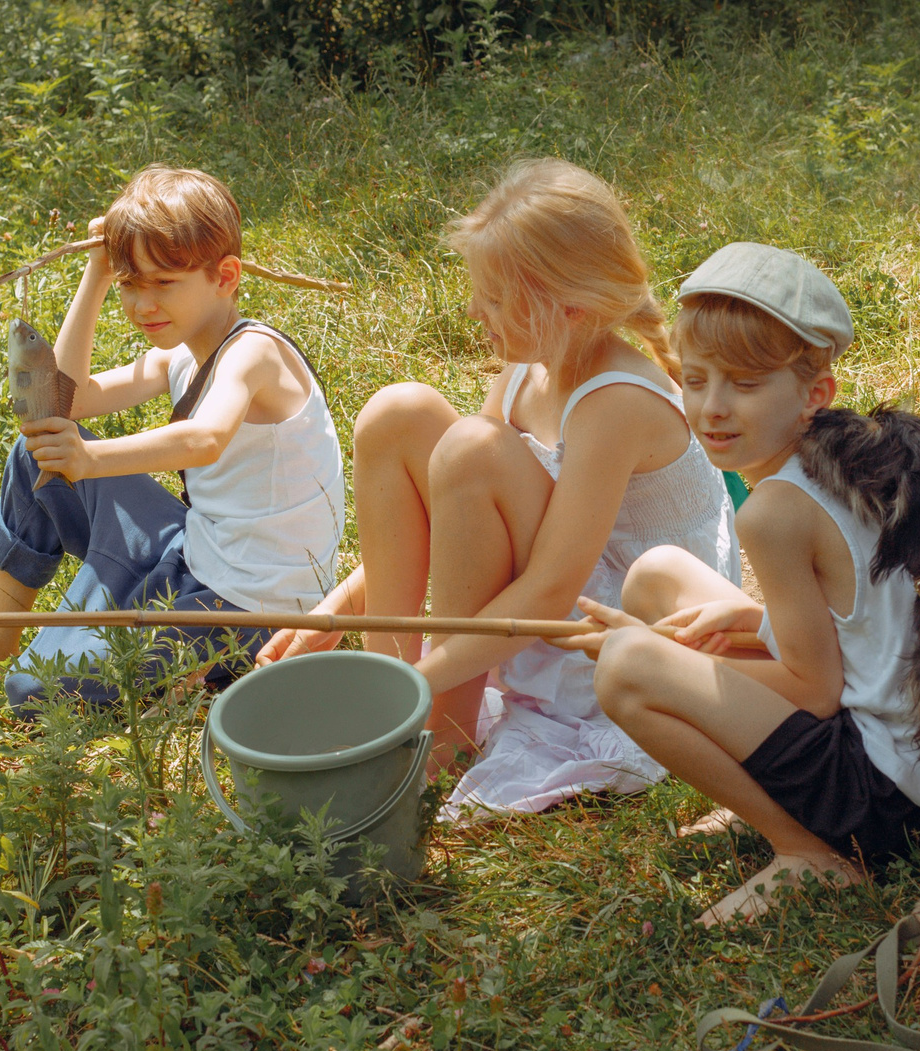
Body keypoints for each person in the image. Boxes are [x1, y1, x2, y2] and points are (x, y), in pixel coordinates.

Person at [259, 159, 737, 813]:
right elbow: (456, 508)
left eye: (494, 297)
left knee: (470, 448)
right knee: (397, 414)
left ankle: (435, 733)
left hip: (613, 634)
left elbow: (548, 591)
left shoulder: (615, 403)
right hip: (543, 598)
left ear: (566, 308)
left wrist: (426, 680)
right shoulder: (525, 370)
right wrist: (334, 612)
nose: (473, 310)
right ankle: (389, 685)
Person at [568, 244, 920, 926]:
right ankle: (768, 795)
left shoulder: (773, 510)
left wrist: (669, 659)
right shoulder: (834, 456)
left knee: (626, 667)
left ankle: (811, 853)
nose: (712, 407)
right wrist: (753, 625)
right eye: (696, 378)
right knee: (657, 574)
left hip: (889, 797)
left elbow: (815, 691)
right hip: (908, 751)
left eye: (744, 383)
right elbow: (850, 633)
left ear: (813, 394)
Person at [0, 165, 345, 707]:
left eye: (164, 283)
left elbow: (204, 438)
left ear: (226, 276)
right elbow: (66, 400)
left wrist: (90, 458)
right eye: (130, 285)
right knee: (36, 451)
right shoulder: (182, 355)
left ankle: (213, 674)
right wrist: (95, 272)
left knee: (34, 693)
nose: (143, 305)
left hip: (247, 606)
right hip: (197, 549)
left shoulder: (254, 353)